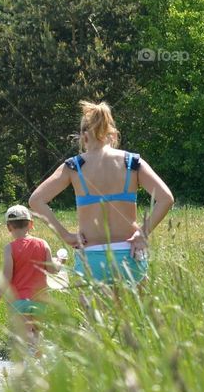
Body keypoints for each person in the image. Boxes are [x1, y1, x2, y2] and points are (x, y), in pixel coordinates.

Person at [29, 100, 174, 290]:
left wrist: (65, 235)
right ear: (111, 132)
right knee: (133, 319)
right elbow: (166, 198)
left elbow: (35, 200)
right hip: (129, 256)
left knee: (94, 320)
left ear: (83, 136)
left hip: (91, 258)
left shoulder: (74, 166)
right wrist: (142, 232)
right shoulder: (132, 162)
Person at [0, 204, 63, 348]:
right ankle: (41, 364)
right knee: (37, 335)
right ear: (31, 224)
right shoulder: (43, 244)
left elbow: (7, 277)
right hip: (40, 300)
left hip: (19, 302)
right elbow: (52, 269)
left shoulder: (9, 248)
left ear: (9, 227)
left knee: (24, 340)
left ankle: (26, 367)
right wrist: (60, 260)